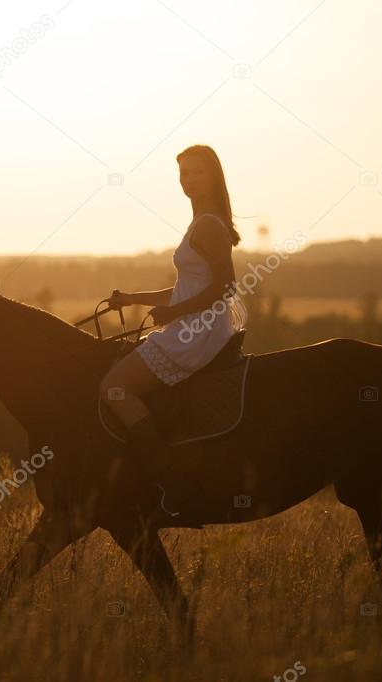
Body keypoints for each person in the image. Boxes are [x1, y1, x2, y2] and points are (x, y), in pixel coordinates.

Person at [99, 144, 247, 516]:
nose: (189, 181)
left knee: (114, 388)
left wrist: (174, 314)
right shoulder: (201, 222)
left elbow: (226, 287)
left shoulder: (210, 225)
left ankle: (170, 479)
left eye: (198, 172)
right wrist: (133, 298)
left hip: (199, 328)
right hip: (190, 320)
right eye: (183, 174)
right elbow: (186, 289)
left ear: (214, 176)